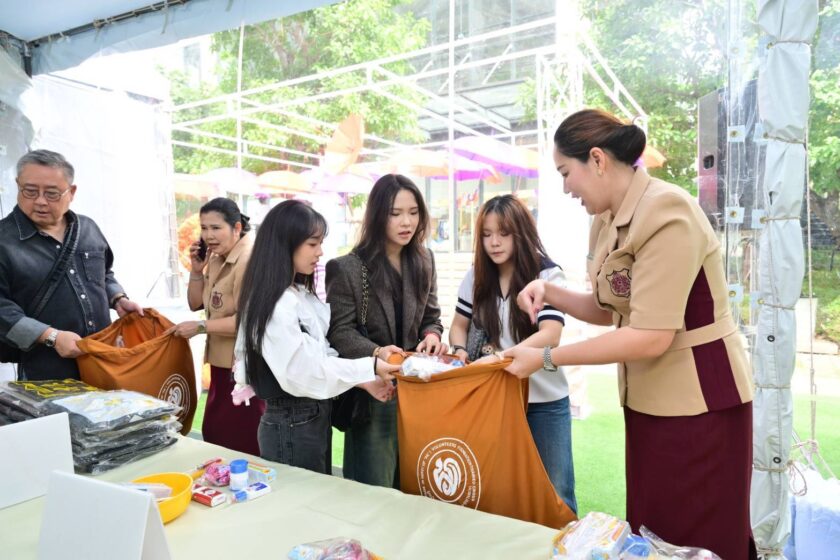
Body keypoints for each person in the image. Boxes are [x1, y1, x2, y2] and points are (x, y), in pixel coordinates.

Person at [499, 109, 755, 559]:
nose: (566, 188)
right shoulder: (607, 220)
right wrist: (551, 292)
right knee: (653, 529)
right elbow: (610, 310)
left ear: (597, 159)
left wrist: (546, 359)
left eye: (566, 172)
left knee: (698, 537)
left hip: (701, 405)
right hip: (649, 401)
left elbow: (651, 334)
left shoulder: (667, 210)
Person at [233, 200, 400, 474]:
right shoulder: (276, 304)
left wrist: (364, 379)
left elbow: (320, 354)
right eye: (312, 244)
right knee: (301, 496)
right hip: (292, 421)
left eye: (320, 243)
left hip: (309, 417)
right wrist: (369, 367)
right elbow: (304, 371)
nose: (319, 252)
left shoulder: (297, 293)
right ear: (285, 243)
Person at [448, 194, 577, 513]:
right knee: (500, 490)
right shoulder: (477, 276)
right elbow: (458, 325)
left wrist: (500, 358)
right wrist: (459, 350)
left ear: (521, 232)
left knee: (556, 492)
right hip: (496, 399)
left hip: (545, 402)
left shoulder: (547, 275)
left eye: (503, 233)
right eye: (487, 234)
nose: (494, 242)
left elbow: (551, 335)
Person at [326, 174, 446, 489]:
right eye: (396, 213)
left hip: (418, 391)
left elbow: (431, 316)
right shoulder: (347, 268)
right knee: (374, 489)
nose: (407, 222)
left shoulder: (424, 259)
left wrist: (432, 336)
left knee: (417, 485)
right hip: (374, 392)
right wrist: (377, 353)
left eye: (413, 212)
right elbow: (340, 332)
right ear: (378, 215)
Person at [0, 150, 143, 381]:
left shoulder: (88, 229)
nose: (40, 201)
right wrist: (51, 337)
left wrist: (118, 298)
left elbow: (104, 274)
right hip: (45, 371)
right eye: (30, 191)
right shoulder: (4, 240)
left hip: (103, 360)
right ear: (18, 185)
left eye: (52, 193)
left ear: (72, 192)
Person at [167, 197, 264, 455]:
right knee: (216, 436)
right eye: (204, 228)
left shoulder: (249, 259)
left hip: (244, 370)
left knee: (242, 442)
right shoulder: (218, 256)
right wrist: (196, 271)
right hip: (221, 366)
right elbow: (195, 303)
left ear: (236, 227)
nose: (208, 235)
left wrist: (200, 327)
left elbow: (248, 322)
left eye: (216, 228)